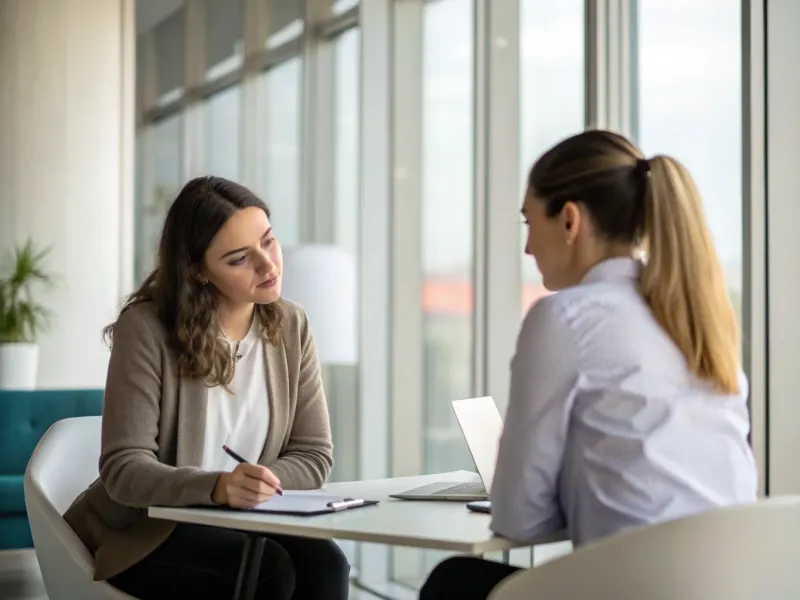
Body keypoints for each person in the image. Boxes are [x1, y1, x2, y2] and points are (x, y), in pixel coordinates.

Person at [419, 130, 758, 599]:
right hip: (737, 584)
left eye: (528, 222)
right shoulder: (699, 320)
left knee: (454, 583)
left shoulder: (566, 318)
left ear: (570, 220)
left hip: (635, 589)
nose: (528, 248)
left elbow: (519, 518)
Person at [63, 176, 350, 599]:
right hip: (148, 531)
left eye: (268, 242)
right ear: (197, 270)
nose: (268, 266)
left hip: (249, 522)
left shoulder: (291, 324)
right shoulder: (146, 328)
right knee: (268, 571)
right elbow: (124, 468)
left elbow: (313, 455)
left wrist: (255, 486)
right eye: (239, 259)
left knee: (327, 563)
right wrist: (216, 487)